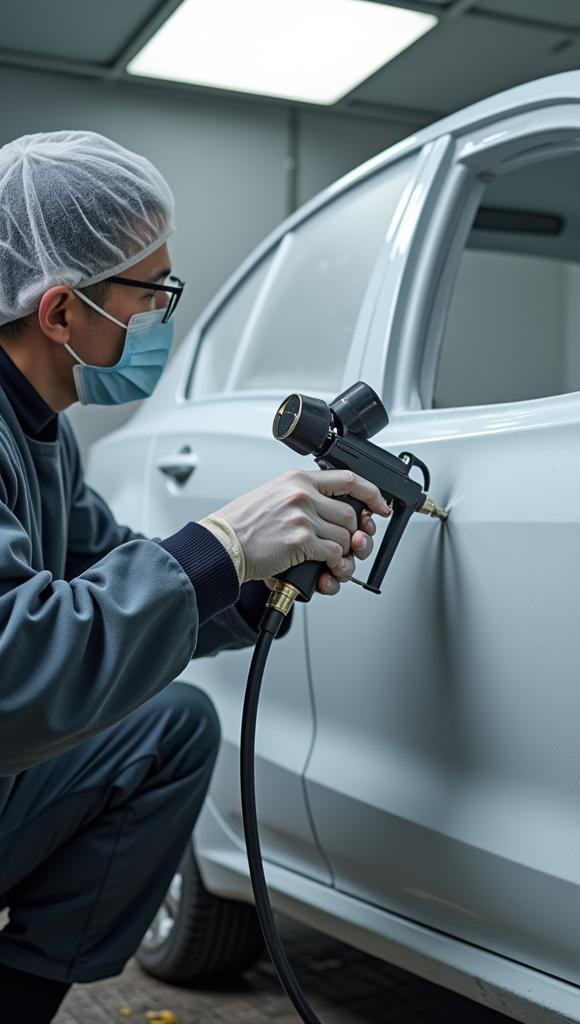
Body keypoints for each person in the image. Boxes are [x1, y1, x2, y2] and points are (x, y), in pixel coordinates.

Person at [0, 130, 391, 1022]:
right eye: (155, 293)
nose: (165, 317)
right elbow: (13, 670)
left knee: (170, 728)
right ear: (62, 313)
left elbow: (101, 571)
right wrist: (221, 539)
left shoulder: (37, 430)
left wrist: (250, 584)